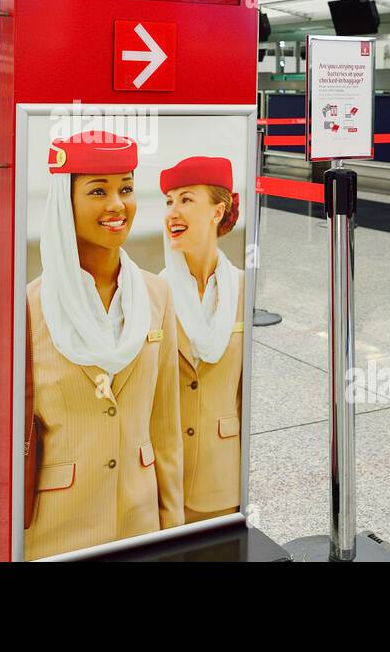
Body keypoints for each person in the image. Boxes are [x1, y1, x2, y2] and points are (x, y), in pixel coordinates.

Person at [24, 130, 182, 559]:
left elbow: (166, 427)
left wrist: (174, 529)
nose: (117, 205)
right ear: (65, 202)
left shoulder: (156, 295)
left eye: (126, 189)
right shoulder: (30, 307)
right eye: (98, 191)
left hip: (140, 522)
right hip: (57, 526)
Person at [159, 156, 244, 523]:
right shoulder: (154, 292)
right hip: (163, 477)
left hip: (221, 475)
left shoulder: (243, 289)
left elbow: (244, 392)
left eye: (186, 199)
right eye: (169, 201)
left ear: (216, 211)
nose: (172, 212)